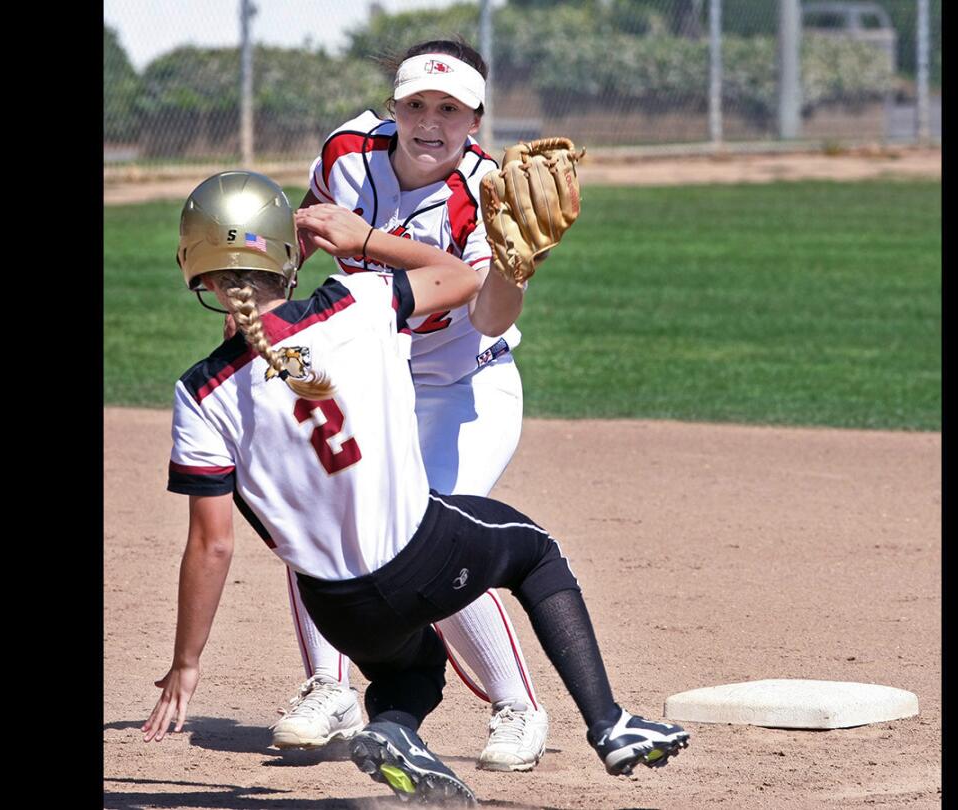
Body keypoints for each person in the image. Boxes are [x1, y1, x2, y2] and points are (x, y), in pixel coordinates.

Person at [142, 170, 688, 805]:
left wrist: (186, 665)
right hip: (419, 557)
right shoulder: (355, 301)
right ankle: (610, 723)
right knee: (532, 549)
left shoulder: (199, 393)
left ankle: (396, 730)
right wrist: (367, 238)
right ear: (289, 255)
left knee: (416, 669)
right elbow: (464, 277)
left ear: (196, 271)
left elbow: (212, 547)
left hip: (338, 611)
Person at [259, 39, 548, 772]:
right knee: (318, 513)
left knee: (429, 535)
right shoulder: (348, 153)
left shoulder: (486, 191)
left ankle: (518, 707)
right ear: (394, 108)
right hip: (373, 375)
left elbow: (483, 314)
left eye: (448, 109)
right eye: (416, 104)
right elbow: (307, 242)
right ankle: (330, 687)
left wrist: (512, 269)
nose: (429, 122)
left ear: (475, 120)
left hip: (465, 384)